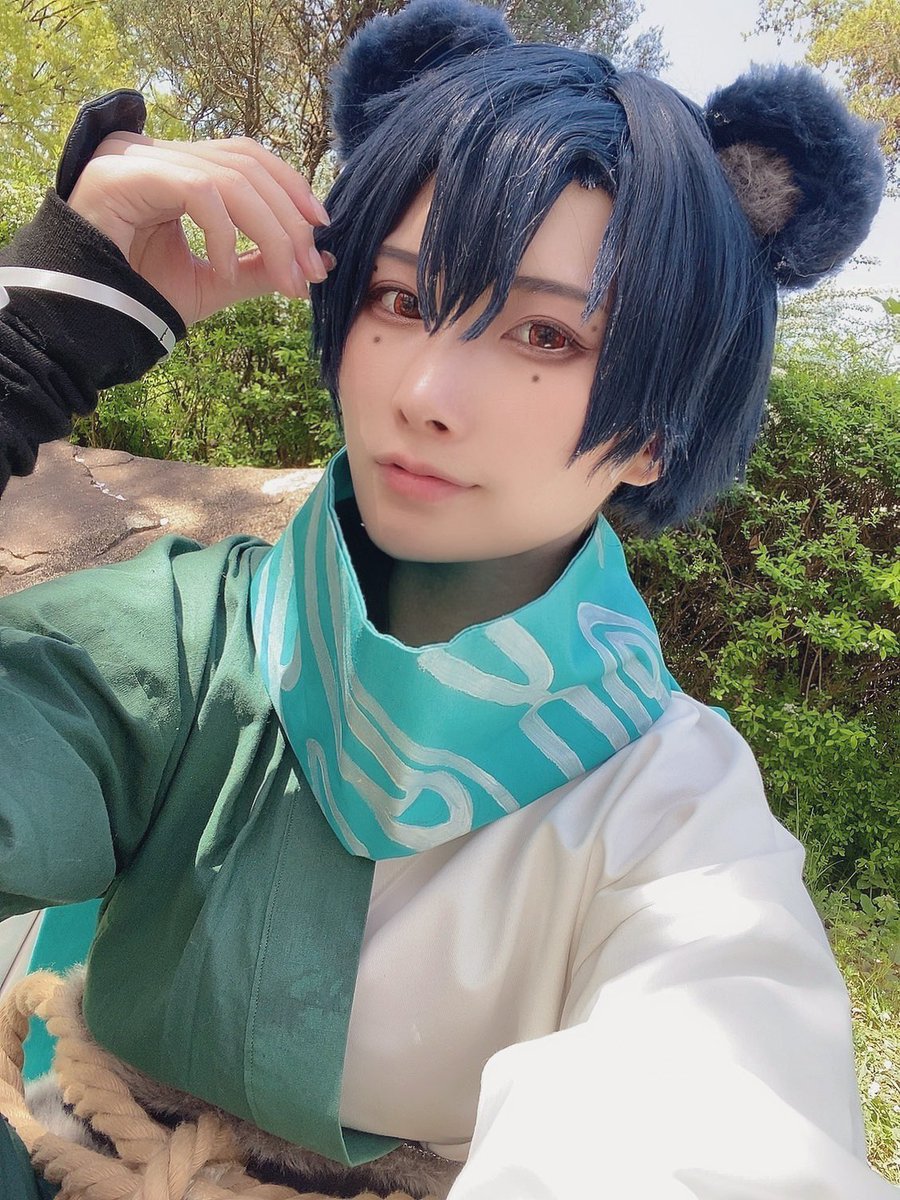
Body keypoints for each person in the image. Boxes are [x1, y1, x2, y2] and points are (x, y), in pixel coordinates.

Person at [0, 0, 893, 1195]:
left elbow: (723, 1115)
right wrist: (41, 329)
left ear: (655, 432)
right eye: (402, 301)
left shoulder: (673, 815)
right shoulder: (174, 641)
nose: (424, 391)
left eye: (545, 334)